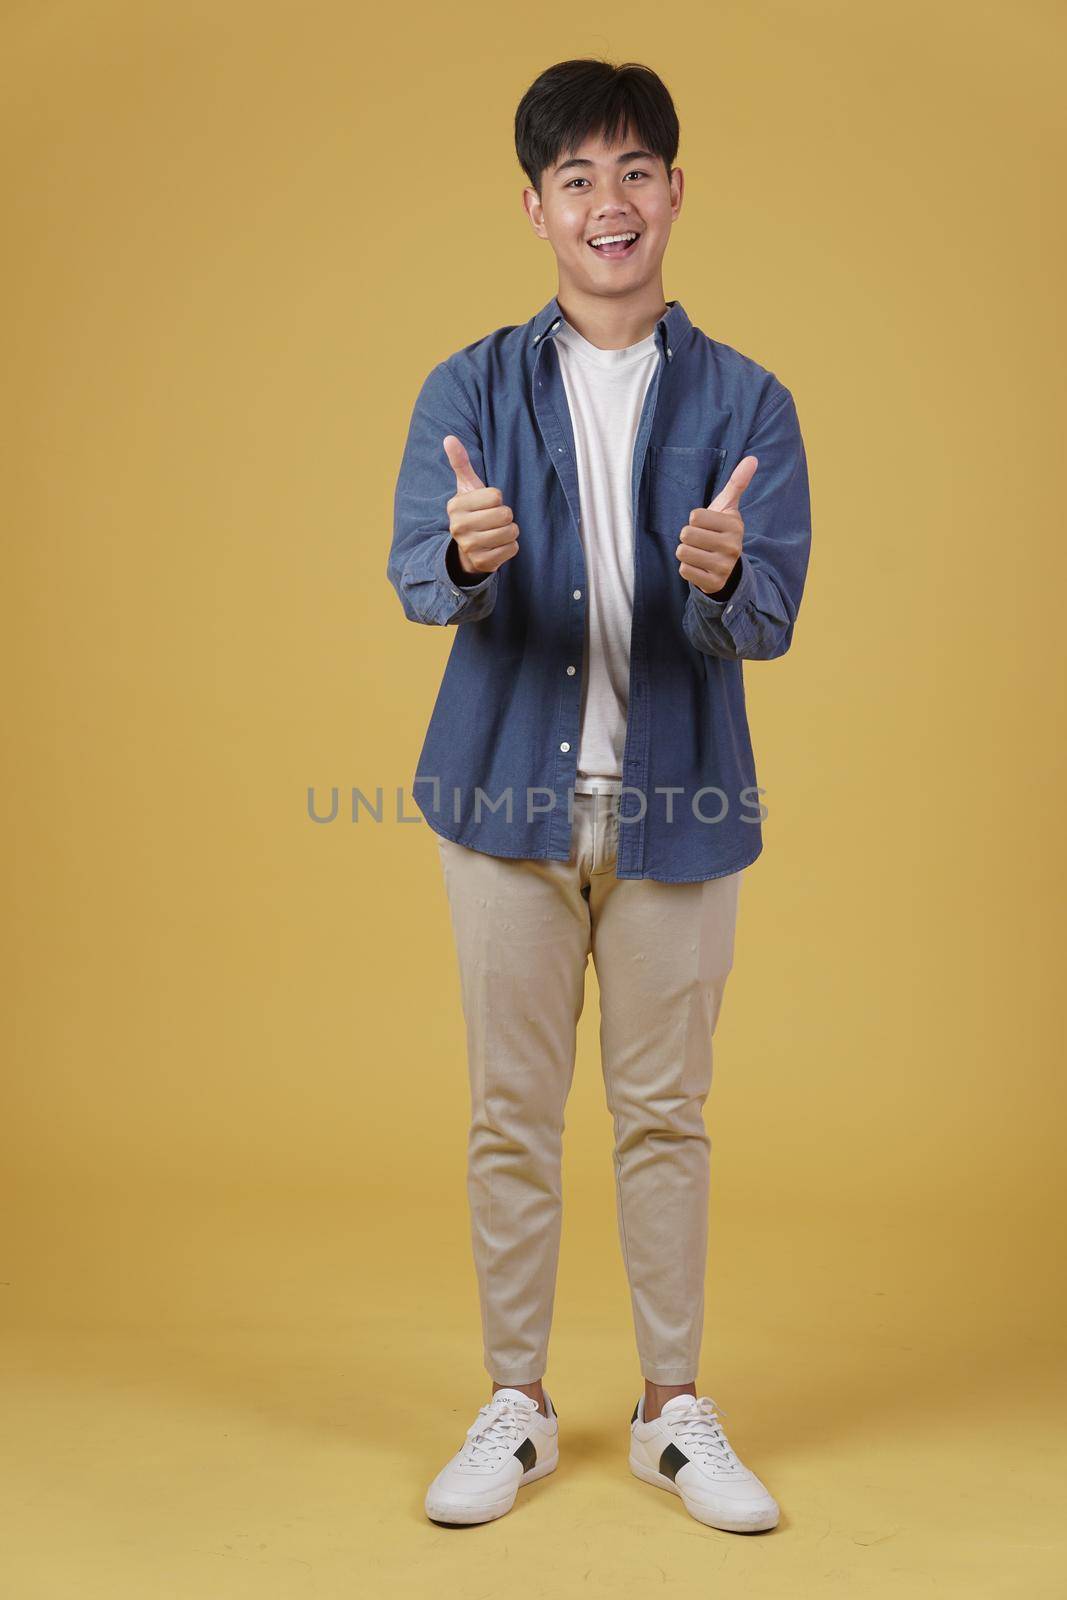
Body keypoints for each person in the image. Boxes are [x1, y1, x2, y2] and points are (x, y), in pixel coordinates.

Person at [387, 57, 812, 1533]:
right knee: (511, 1113)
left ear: (675, 192)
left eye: (635, 170)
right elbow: (409, 575)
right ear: (536, 207)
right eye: (577, 177)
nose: (608, 201)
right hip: (501, 807)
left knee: (665, 1116)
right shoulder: (471, 388)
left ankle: (669, 1411)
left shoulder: (751, 398)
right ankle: (514, 1401)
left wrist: (723, 583)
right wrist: (465, 558)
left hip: (680, 810)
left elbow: (772, 616)